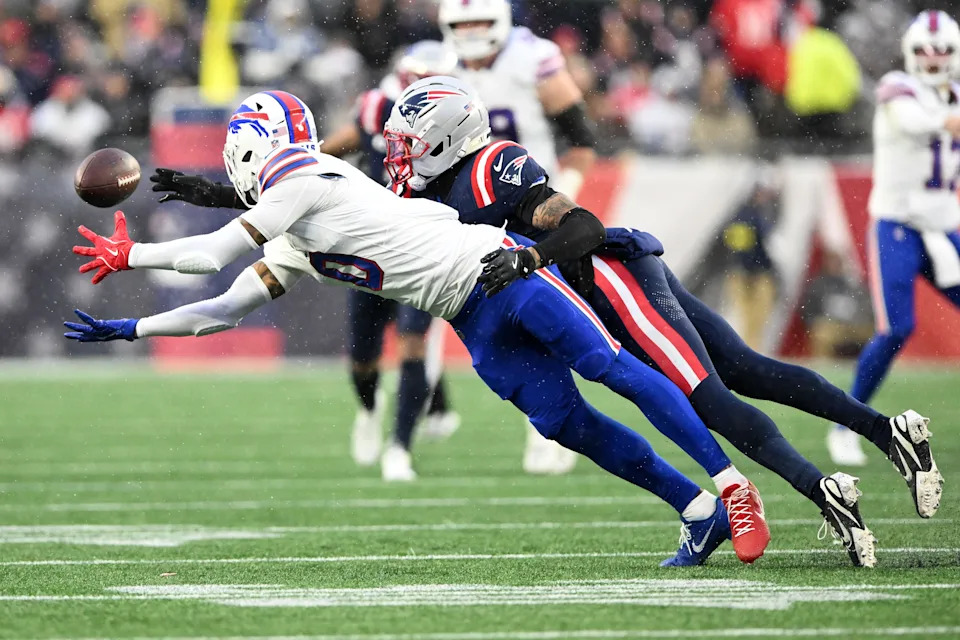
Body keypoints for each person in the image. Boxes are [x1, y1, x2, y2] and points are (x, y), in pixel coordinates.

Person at [65, 88, 770, 567]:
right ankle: (695, 509)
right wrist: (134, 329)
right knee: (567, 425)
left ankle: (731, 484)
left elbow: (214, 253)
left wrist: (132, 256)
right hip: (466, 315)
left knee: (606, 366)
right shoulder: (293, 223)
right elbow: (222, 307)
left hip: (497, 269)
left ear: (254, 144)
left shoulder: (305, 177)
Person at [383, 75, 944, 566]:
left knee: (707, 397)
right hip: (578, 302)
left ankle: (824, 492)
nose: (399, 154)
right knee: (744, 370)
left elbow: (584, 229)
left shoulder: (488, 169)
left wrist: (528, 256)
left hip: (608, 285)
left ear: (447, 138)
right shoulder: (426, 190)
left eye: (409, 143)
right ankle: (884, 431)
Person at [438, 0, 597, 474]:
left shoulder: (532, 57)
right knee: (499, 324)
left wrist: (564, 200)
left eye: (478, 22)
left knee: (547, 317)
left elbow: (582, 137)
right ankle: (545, 419)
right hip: (474, 211)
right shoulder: (438, 66)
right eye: (459, 24)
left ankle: (556, 428)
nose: (469, 32)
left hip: (532, 205)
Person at [318, 41, 462, 481]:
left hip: (421, 244)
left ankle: (399, 447)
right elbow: (333, 148)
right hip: (369, 245)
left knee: (412, 342)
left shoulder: (464, 117)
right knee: (363, 358)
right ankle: (369, 408)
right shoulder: (377, 107)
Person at [829, 10, 959, 475]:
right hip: (898, 226)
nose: (932, 57)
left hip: (945, 228)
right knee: (897, 329)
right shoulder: (897, 88)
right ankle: (845, 425)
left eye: (941, 49)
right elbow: (918, 124)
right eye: (924, 49)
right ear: (909, 52)